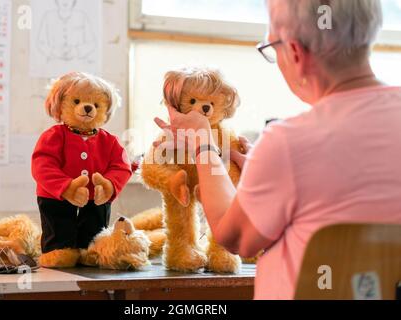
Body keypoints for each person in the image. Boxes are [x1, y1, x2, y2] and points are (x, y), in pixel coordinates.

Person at [154, 0, 401, 299]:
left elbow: (233, 238)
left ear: (295, 52)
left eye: (271, 47)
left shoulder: (288, 142)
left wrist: (203, 144)